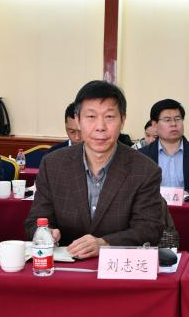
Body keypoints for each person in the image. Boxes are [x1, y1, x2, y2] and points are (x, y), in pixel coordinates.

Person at [25, 80, 163, 258]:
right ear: (78, 120)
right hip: (64, 265)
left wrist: (105, 243)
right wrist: (45, 232)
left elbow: (149, 229)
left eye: (109, 117)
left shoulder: (145, 169)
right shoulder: (53, 165)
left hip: (117, 266)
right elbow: (34, 221)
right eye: (91, 117)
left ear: (122, 120)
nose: (100, 127)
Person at [138, 98, 189, 197]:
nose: (173, 124)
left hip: (187, 205)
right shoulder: (142, 155)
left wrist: (187, 194)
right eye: (167, 120)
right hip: (153, 206)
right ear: (155, 125)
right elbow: (135, 188)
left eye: (177, 119)